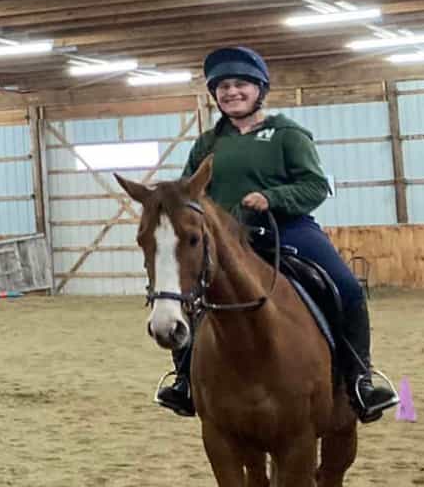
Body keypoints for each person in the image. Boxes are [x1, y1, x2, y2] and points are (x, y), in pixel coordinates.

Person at [156, 47, 397, 423]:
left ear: (259, 89)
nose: (231, 92)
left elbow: (316, 186)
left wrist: (273, 197)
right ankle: (184, 380)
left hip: (289, 228)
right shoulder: (206, 144)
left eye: (240, 85)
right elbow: (191, 193)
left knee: (346, 286)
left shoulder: (288, 134)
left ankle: (359, 379)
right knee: (187, 293)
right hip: (228, 240)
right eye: (222, 87)